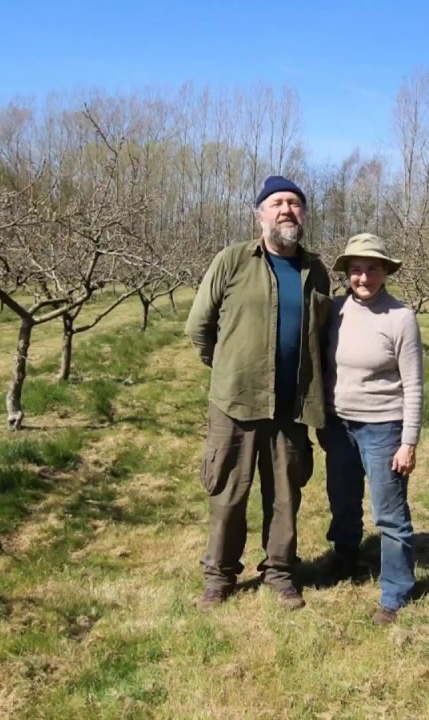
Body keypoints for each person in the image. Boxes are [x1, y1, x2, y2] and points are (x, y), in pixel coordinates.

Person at [185, 175, 333, 612]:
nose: (286, 210)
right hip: (236, 402)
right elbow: (198, 326)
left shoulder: (316, 269)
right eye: (277, 203)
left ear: (303, 214)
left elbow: (321, 334)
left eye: (294, 203)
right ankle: (219, 577)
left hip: (292, 404)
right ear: (260, 215)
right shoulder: (232, 260)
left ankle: (280, 572)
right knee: (228, 492)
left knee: (286, 495)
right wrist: (227, 366)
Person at [319, 233, 424, 625]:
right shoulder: (335, 311)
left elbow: (413, 384)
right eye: (356, 270)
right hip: (339, 425)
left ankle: (395, 592)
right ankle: (345, 560)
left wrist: (408, 441)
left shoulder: (400, 317)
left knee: (389, 514)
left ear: (385, 272)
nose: (363, 277)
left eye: (372, 269)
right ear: (347, 273)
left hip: (384, 429)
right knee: (343, 503)